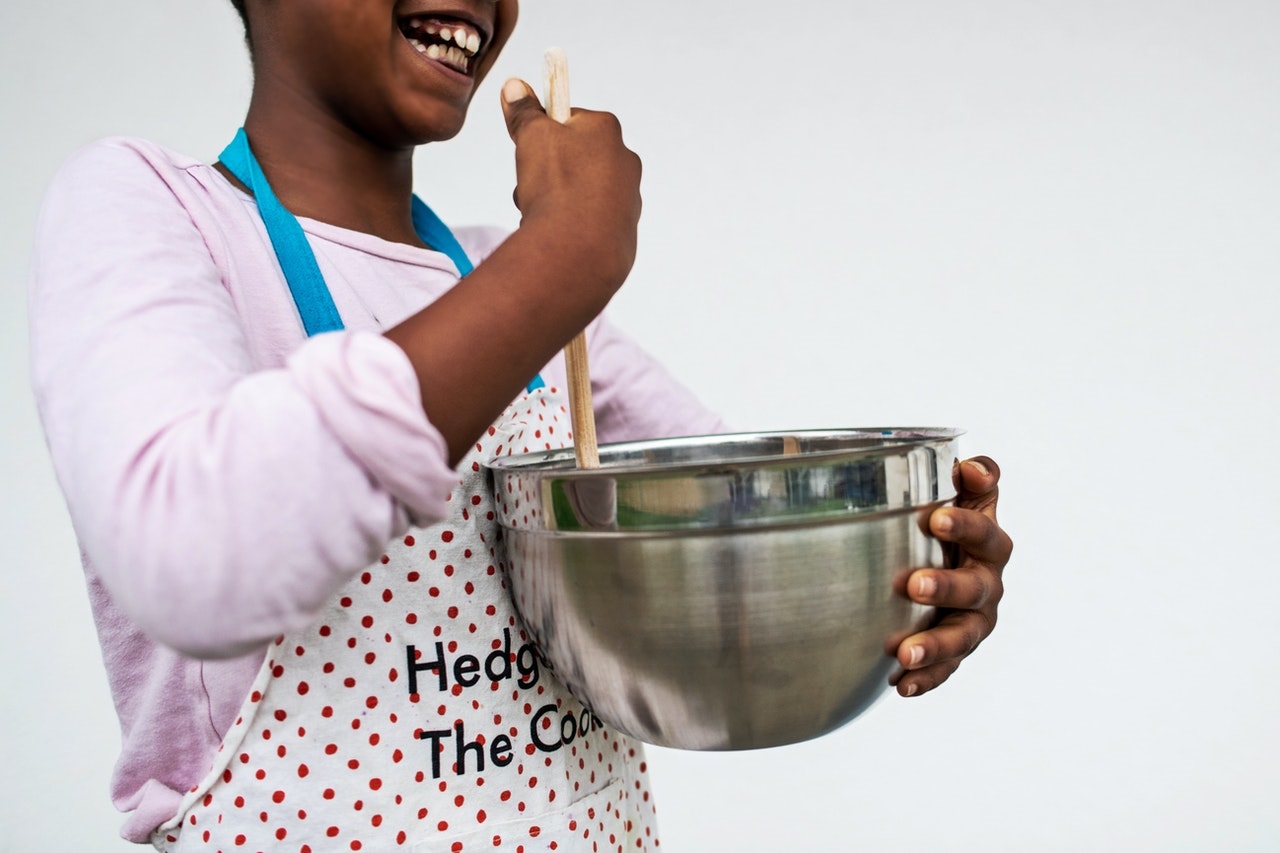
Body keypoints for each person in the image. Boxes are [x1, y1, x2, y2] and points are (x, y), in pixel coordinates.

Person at [28, 0, 1014, 849]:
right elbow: (189, 557)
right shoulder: (155, 211)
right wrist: (569, 252)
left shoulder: (515, 284)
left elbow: (733, 538)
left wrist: (898, 575)